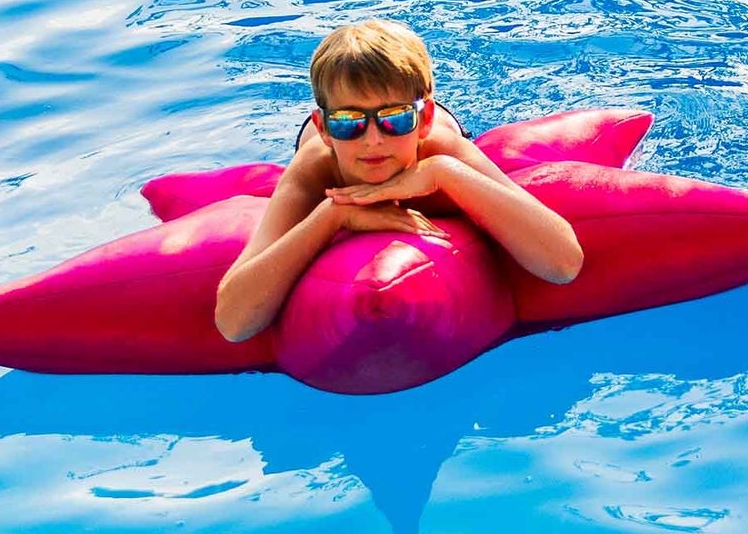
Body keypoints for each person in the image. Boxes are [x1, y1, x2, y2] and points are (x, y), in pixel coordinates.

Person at [214, 19, 583, 343]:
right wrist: (331, 215)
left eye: (393, 120)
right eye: (348, 123)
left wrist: (443, 173)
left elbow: (564, 263)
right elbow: (233, 323)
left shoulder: (442, 149)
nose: (373, 140)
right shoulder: (315, 172)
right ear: (325, 129)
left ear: (422, 122)